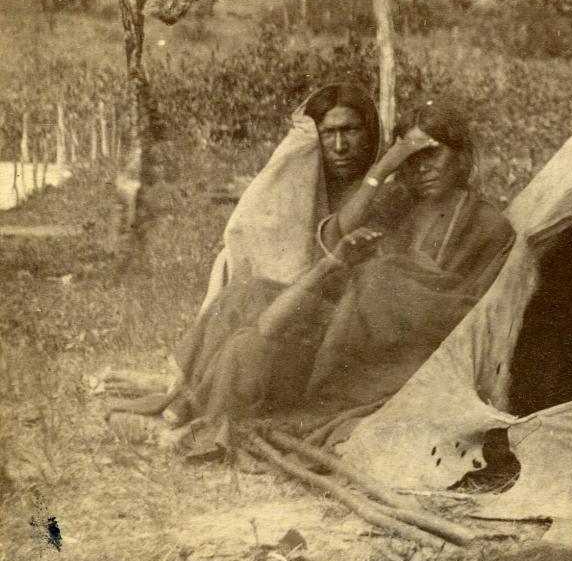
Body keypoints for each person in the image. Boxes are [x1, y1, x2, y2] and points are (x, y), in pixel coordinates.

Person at [166, 99, 515, 443]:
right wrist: (380, 172)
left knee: (262, 338)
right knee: (248, 292)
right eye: (412, 160)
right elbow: (334, 238)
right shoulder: (400, 201)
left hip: (385, 351)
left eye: (432, 154)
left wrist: (380, 279)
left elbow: (464, 309)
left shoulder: (486, 224)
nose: (422, 168)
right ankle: (187, 394)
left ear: (462, 156)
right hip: (347, 322)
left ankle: (202, 403)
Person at [107, 83, 381, 420]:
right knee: (244, 287)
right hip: (296, 311)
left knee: (253, 298)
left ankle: (190, 396)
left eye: (351, 130)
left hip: (341, 327)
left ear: (370, 132)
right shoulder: (303, 185)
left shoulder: (377, 189)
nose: (340, 146)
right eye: (328, 133)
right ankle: (188, 389)